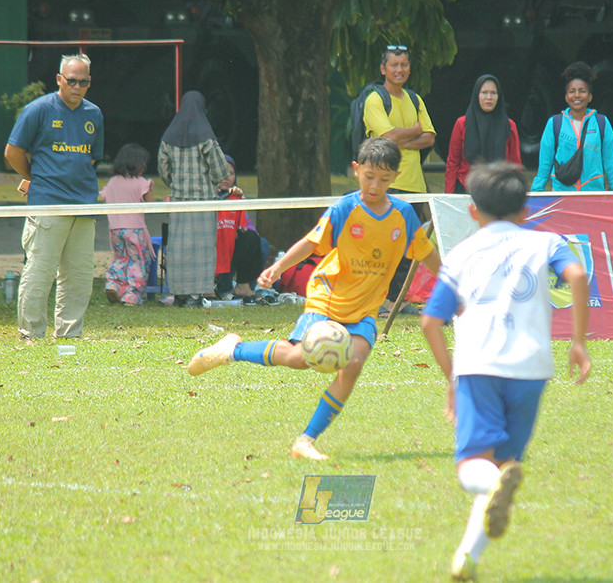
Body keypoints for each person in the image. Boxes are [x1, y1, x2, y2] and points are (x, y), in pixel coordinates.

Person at [188, 137, 441, 460]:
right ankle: (232, 350)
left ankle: (305, 441)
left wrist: (451, 285)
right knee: (299, 359)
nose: (375, 185)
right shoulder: (345, 209)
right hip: (328, 297)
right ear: (356, 170)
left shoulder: (403, 215)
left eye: (384, 179)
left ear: (395, 177)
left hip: (364, 309)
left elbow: (427, 254)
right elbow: (310, 243)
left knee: (353, 363)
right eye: (369, 177)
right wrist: (278, 267)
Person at [421, 161, 591, 581]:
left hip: (480, 366)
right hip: (532, 368)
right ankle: (467, 560)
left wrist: (451, 378)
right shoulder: (546, 241)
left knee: (472, 469)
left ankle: (486, 496)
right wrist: (579, 342)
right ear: (525, 210)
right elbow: (579, 275)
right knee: (503, 466)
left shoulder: (461, 253)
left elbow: (429, 322)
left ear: (473, 211)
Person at [4, 53, 104, 339]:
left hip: (84, 206)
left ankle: (69, 338)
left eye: (83, 82)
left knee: (79, 278)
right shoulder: (38, 110)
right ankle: (30, 335)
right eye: (71, 81)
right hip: (47, 204)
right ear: (59, 79)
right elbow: (12, 152)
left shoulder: (94, 114)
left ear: (89, 83)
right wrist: (36, 179)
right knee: (39, 273)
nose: (77, 87)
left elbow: (92, 159)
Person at [363, 45, 436, 312]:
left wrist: (399, 137)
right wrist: (413, 131)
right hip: (386, 185)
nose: (399, 69)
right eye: (394, 65)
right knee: (382, 245)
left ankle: (395, 300)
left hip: (414, 185)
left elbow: (429, 137)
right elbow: (387, 137)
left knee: (409, 249)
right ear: (383, 69)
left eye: (404, 65)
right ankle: (376, 300)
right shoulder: (374, 100)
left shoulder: (415, 99)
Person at [157, 91, 230, 307]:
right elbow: (220, 171)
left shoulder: (168, 138)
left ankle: (179, 293)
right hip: (204, 201)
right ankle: (197, 294)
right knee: (202, 248)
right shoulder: (206, 138)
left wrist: (176, 184)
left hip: (179, 201)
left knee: (179, 248)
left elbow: (163, 169)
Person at [531, 61, 613, 192]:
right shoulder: (555, 123)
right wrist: (537, 190)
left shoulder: (601, 123)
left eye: (582, 91)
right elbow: (545, 162)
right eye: (572, 91)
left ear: (590, 96)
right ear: (566, 97)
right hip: (562, 195)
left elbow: (611, 160)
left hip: (593, 195)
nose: (577, 95)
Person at [445, 75, 521, 194]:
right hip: (466, 189)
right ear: (477, 95)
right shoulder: (462, 124)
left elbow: (515, 164)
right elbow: (453, 162)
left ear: (499, 96)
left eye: (493, 93)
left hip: (499, 191)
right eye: (484, 92)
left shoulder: (509, 126)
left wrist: (516, 193)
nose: (489, 97)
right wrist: (448, 196)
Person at [100, 143, 155, 306]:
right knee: (137, 262)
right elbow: (151, 203)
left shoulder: (113, 182)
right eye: (143, 164)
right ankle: (133, 295)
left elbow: (104, 196)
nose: (144, 168)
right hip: (135, 230)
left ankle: (114, 285)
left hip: (115, 229)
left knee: (120, 259)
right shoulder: (140, 182)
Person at [215, 154, 264, 300]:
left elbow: (248, 227)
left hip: (232, 246)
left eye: (230, 173)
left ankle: (243, 286)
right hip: (212, 245)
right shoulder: (204, 196)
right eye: (221, 173)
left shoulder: (237, 197)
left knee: (255, 240)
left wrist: (235, 232)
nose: (226, 177)